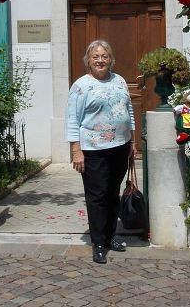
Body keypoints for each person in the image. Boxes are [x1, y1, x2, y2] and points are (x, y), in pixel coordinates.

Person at [66, 39, 136, 264]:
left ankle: (110, 236)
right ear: (88, 60)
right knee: (97, 197)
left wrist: (132, 141)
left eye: (104, 56)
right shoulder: (80, 86)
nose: (100, 60)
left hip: (120, 146)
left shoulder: (120, 80)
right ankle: (98, 243)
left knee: (113, 192)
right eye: (95, 56)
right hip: (93, 150)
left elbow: (129, 111)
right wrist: (76, 150)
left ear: (111, 59)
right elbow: (72, 120)